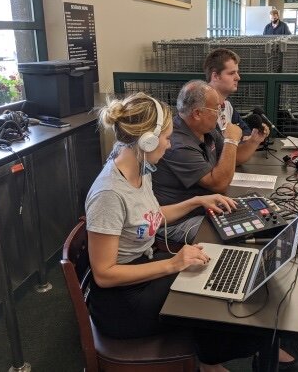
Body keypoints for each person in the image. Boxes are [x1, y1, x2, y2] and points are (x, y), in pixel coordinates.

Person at [85, 92, 262, 371]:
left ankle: (211, 359)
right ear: (147, 140)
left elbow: (150, 218)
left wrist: (196, 201)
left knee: (208, 270)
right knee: (208, 295)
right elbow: (105, 275)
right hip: (121, 302)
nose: (169, 145)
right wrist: (173, 263)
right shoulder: (108, 194)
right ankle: (214, 360)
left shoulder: (140, 169)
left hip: (140, 272)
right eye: (166, 138)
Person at [152, 80, 267, 244]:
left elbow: (234, 159)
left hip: (206, 207)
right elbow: (219, 184)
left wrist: (254, 141)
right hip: (180, 221)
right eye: (216, 108)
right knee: (241, 238)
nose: (221, 113)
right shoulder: (178, 145)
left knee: (261, 222)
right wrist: (231, 140)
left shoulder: (206, 130)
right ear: (197, 113)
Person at [204, 47, 270, 140]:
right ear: (215, 76)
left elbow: (245, 130)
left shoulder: (227, 105)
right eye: (231, 73)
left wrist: (250, 138)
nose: (238, 78)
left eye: (237, 72)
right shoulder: (203, 109)